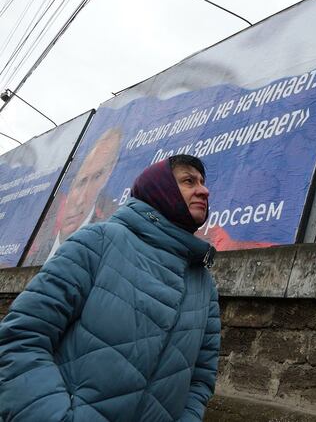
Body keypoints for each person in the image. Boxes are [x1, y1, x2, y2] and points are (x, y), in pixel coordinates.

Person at [0, 154, 219, 422]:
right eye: (189, 181)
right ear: (160, 189)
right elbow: (21, 338)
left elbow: (200, 380)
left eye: (203, 182)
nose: (204, 190)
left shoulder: (204, 285)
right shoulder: (98, 242)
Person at [23, 127, 122, 265]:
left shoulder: (106, 249)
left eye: (97, 177)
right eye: (81, 182)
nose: (81, 200)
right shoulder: (33, 257)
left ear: (109, 173)